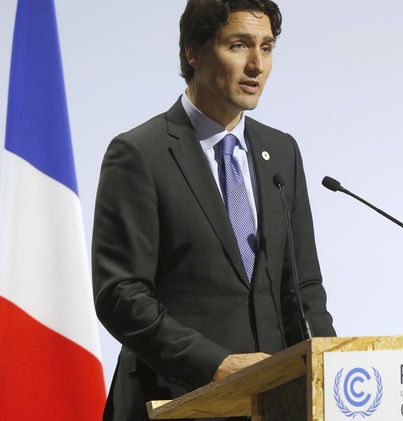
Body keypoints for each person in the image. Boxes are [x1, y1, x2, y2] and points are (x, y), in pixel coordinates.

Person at [91, 1, 335, 420]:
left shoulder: (281, 152)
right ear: (193, 52)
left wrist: (329, 370)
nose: (257, 65)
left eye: (267, 47)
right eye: (239, 45)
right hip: (173, 399)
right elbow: (120, 295)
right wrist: (214, 364)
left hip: (272, 402)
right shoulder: (140, 153)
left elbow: (303, 288)